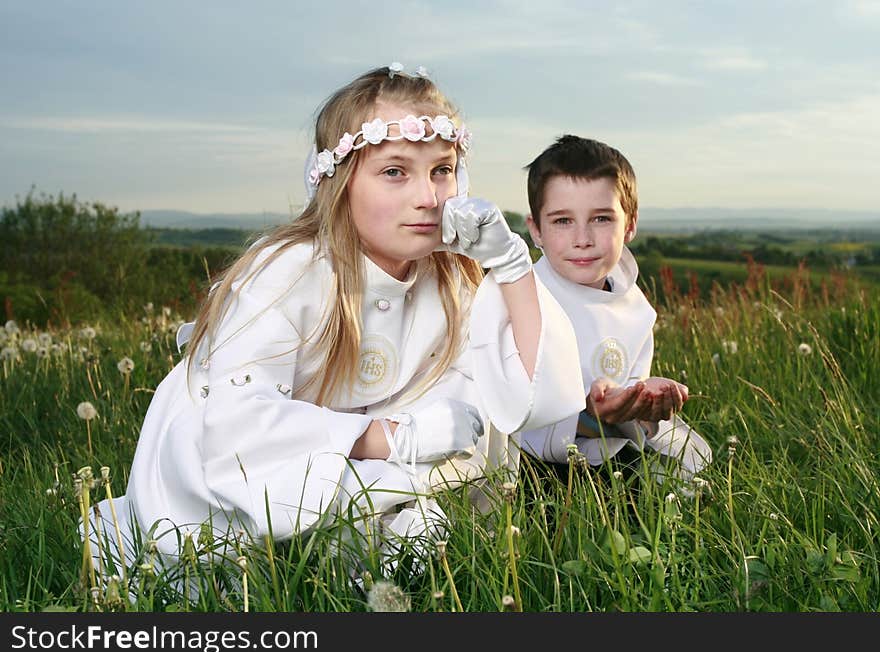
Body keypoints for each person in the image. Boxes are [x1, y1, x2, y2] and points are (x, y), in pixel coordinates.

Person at [86, 65, 584, 579]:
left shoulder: (452, 277)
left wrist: (511, 266)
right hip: (249, 459)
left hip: (364, 455)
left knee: (429, 508)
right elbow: (237, 422)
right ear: (341, 183)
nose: (429, 197)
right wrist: (394, 437)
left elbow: (533, 394)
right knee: (259, 550)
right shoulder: (291, 271)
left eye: (442, 170)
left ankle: (378, 536)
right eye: (395, 172)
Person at [518, 135, 711, 485]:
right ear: (536, 230)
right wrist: (588, 415)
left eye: (602, 219)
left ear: (631, 224)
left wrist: (641, 404)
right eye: (562, 221)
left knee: (678, 472)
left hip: (608, 442)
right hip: (529, 457)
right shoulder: (523, 299)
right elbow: (515, 405)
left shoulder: (635, 307)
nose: (583, 238)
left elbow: (629, 388)